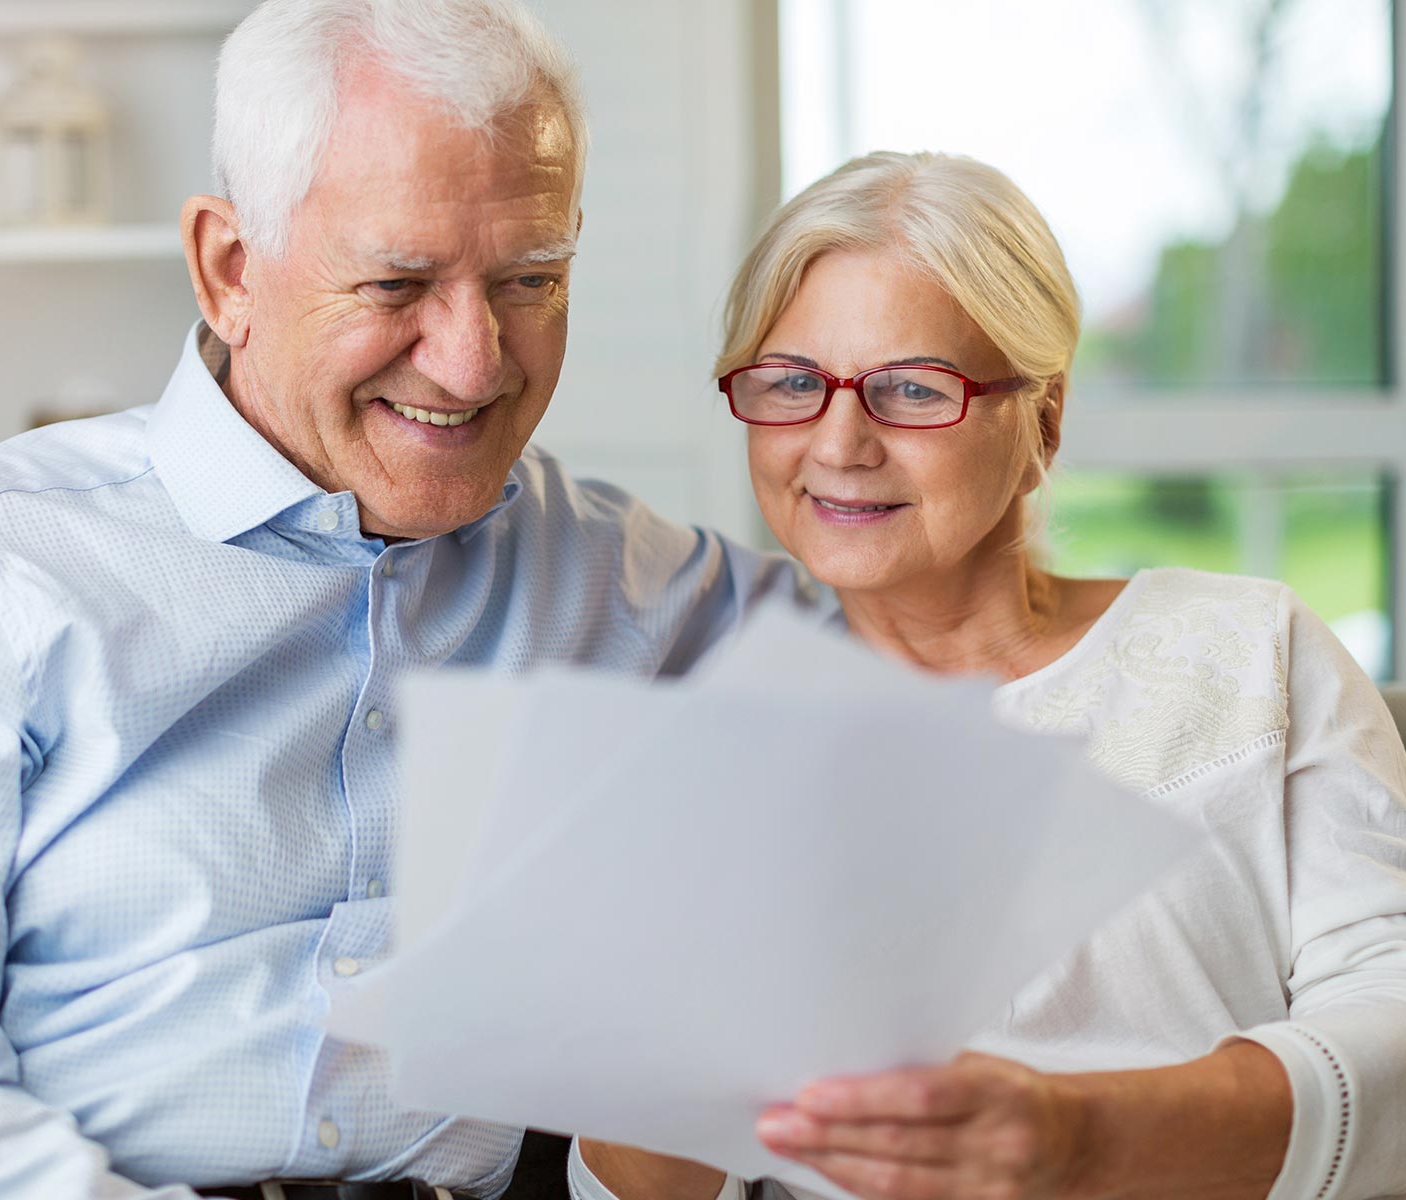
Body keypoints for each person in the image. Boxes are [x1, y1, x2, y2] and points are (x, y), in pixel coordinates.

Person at [0, 2, 821, 1196]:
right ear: (230, 269)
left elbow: (980, 673)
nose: (474, 361)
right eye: (397, 284)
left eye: (530, 279)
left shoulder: (634, 583)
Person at [574, 151, 1406, 1200]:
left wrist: (1079, 1141)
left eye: (911, 390)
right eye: (791, 383)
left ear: (1044, 419)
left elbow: (1392, 1031)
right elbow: (615, 1182)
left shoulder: (1253, 653)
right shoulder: (702, 729)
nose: (837, 443)